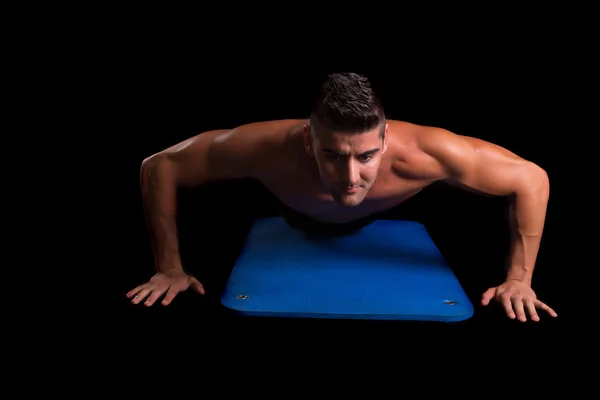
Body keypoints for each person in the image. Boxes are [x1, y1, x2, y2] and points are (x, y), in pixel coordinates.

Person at [127, 72, 557, 322]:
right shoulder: (262, 148)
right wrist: (169, 268)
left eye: (366, 155)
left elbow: (532, 179)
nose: (350, 177)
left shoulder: (430, 152)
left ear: (386, 140)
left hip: (383, 212)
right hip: (295, 213)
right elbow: (158, 165)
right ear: (308, 140)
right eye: (332, 155)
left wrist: (519, 279)